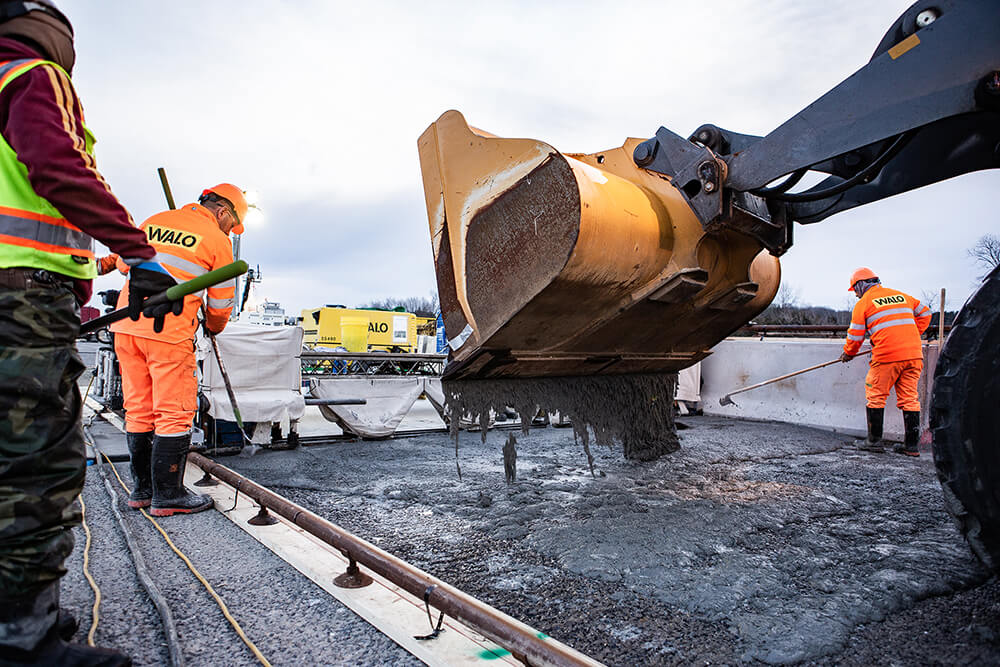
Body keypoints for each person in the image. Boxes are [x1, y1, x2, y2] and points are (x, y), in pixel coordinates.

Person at [0, 2, 180, 664]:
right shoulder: (31, 74)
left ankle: (20, 610)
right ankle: (24, 640)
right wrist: (137, 252)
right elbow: (56, 168)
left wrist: (97, 266)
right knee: (33, 462)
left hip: (19, 292)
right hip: (20, 299)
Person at [109, 185, 243, 517]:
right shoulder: (216, 239)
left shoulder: (156, 220)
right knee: (173, 411)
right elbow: (222, 301)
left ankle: (142, 490)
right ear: (223, 212)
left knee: (139, 407)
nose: (231, 231)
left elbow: (125, 266)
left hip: (127, 326)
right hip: (167, 332)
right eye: (233, 225)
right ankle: (168, 494)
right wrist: (213, 326)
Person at [840, 268, 931, 456]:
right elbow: (926, 313)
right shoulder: (900, 296)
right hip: (913, 354)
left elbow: (855, 335)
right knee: (909, 398)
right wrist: (912, 335)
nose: (856, 295)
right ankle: (911, 447)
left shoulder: (864, 303)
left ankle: (873, 441)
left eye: (855, 290)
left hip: (887, 356)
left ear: (860, 285)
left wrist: (848, 353)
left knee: (875, 394)